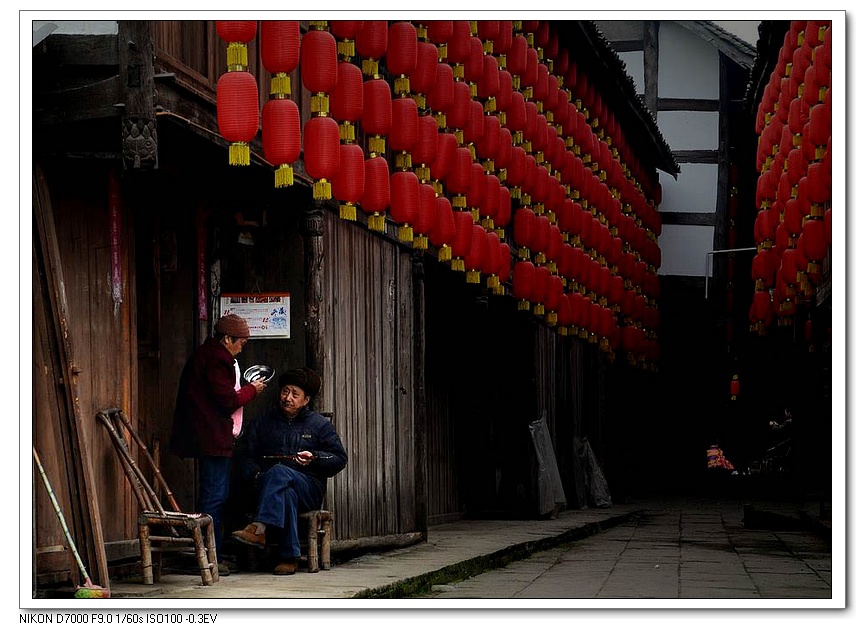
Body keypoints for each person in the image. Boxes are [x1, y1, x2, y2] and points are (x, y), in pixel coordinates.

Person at [169, 313, 267, 571]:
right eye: (240, 343)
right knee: (214, 498)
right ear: (227, 339)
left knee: (215, 496)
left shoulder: (211, 356)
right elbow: (226, 401)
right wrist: (252, 390)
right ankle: (209, 558)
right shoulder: (216, 359)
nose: (241, 348)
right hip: (211, 437)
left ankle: (212, 555)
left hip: (210, 436)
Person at [231, 367, 348, 575]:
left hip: (309, 487)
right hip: (268, 486)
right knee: (285, 491)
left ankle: (259, 527)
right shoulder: (263, 422)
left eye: (295, 394)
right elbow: (244, 456)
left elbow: (339, 459)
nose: (288, 398)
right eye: (285, 391)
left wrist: (315, 458)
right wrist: (257, 475)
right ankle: (289, 557)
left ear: (306, 400)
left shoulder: (319, 425)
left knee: (280, 473)